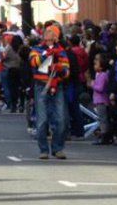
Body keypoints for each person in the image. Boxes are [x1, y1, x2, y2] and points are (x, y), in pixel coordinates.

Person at [29, 24, 69, 160]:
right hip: (41, 86)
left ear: (56, 36)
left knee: (61, 119)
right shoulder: (37, 49)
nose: (47, 33)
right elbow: (33, 62)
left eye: (50, 31)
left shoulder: (62, 51)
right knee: (42, 120)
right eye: (46, 31)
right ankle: (44, 149)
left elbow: (66, 71)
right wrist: (46, 54)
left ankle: (58, 148)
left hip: (57, 87)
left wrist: (60, 69)